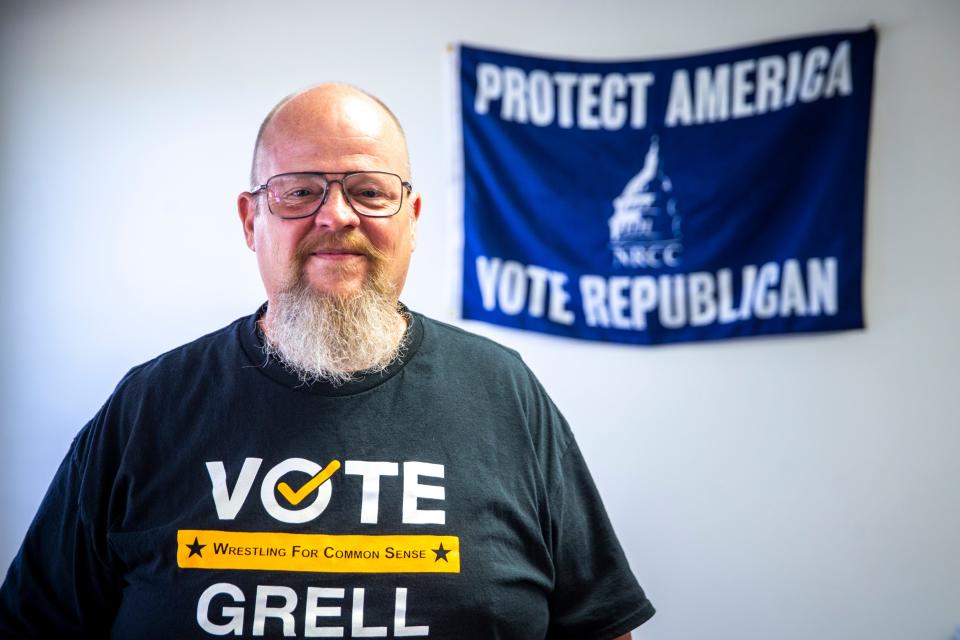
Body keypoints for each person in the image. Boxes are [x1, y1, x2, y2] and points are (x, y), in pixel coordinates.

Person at [0, 84, 654, 638]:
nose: (335, 215)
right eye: (299, 190)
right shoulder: (148, 407)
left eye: (369, 191)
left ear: (412, 219)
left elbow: (600, 624)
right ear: (250, 219)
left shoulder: (506, 394)